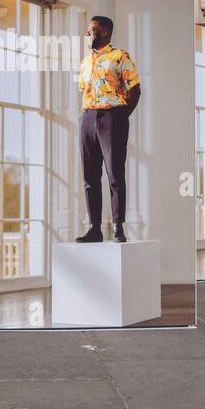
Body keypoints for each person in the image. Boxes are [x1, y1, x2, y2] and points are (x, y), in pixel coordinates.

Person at [75, 16, 141, 244]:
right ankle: (94, 228)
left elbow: (135, 90)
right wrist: (87, 117)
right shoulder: (84, 62)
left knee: (115, 174)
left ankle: (118, 227)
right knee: (89, 176)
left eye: (91, 31)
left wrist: (121, 116)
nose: (87, 34)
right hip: (87, 117)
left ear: (103, 33)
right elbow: (85, 91)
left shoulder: (120, 57)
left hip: (112, 117)